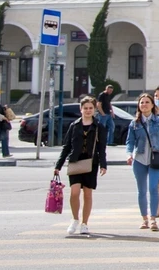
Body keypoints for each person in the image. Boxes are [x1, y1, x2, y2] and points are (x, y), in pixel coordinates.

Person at [54, 96, 108, 236]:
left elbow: (101, 148)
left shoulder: (99, 127)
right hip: (75, 161)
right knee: (74, 192)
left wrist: (103, 164)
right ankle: (75, 219)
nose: (88, 110)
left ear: (95, 109)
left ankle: (85, 223)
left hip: (91, 162)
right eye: (85, 108)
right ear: (81, 109)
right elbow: (67, 146)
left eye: (91, 108)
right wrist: (58, 165)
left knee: (88, 193)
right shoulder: (74, 125)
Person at [125, 93, 159, 231]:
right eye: (141, 103)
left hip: (155, 159)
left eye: (147, 102)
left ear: (152, 105)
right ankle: (144, 218)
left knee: (153, 188)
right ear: (139, 106)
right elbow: (130, 142)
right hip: (139, 159)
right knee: (142, 190)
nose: (144, 105)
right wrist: (129, 154)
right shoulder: (134, 123)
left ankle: (153, 219)